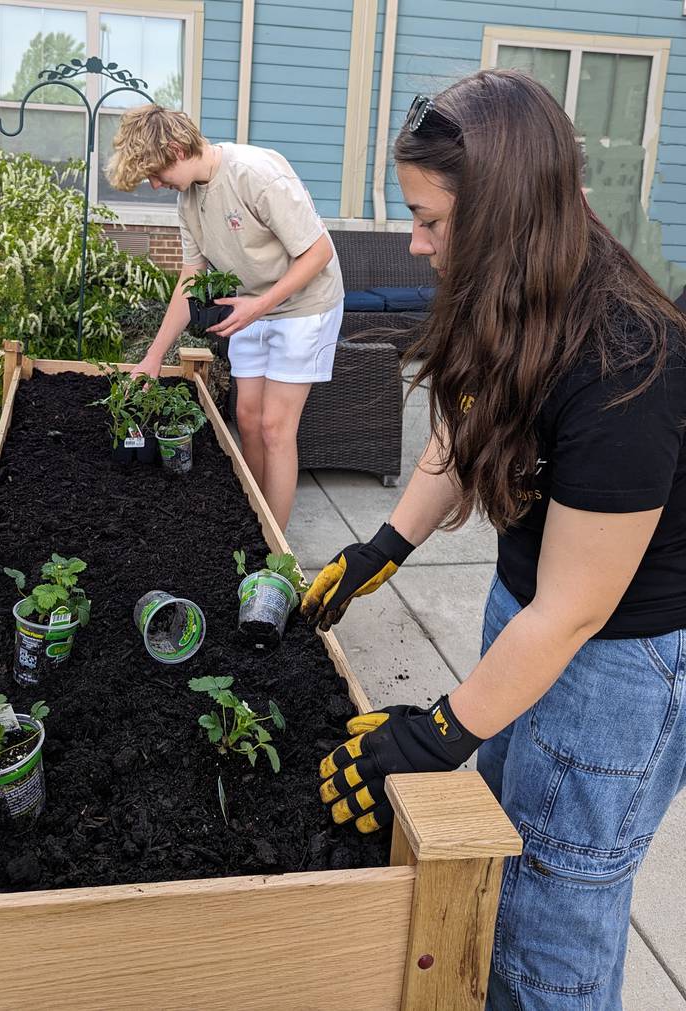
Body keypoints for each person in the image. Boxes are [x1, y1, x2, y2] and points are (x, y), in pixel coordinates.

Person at [302, 70, 686, 1009]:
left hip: (614, 666)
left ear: (506, 212)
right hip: (527, 616)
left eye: (431, 219)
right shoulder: (508, 288)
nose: (414, 239)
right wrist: (382, 546)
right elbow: (463, 423)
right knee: (507, 855)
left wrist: (440, 729)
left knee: (550, 929)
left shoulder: (625, 357)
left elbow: (576, 609)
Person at [105, 106, 344, 530]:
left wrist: (258, 305)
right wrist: (154, 357)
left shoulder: (254, 173)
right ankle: (255, 519)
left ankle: (275, 553)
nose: (156, 185)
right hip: (251, 305)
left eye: (156, 174)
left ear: (176, 150)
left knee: (275, 426)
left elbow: (319, 252)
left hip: (305, 305)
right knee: (247, 419)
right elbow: (190, 277)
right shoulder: (188, 200)